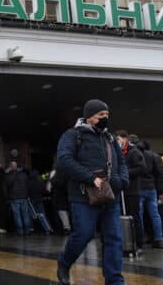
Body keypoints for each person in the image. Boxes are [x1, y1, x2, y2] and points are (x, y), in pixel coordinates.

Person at [56, 99, 128, 285]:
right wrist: (90, 178)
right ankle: (64, 262)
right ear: (89, 117)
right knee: (84, 234)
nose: (105, 119)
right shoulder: (72, 135)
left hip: (109, 196)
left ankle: (115, 280)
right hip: (82, 196)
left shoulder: (109, 138)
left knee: (114, 238)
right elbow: (64, 159)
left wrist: (122, 181)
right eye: (100, 115)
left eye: (107, 115)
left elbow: (122, 162)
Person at [115, 131, 145, 252]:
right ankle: (126, 241)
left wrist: (125, 173)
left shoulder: (134, 151)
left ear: (125, 139)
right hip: (122, 191)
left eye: (119, 139)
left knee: (134, 217)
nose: (117, 142)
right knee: (123, 216)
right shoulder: (119, 153)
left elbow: (141, 168)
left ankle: (138, 243)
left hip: (132, 190)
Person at [136, 140, 163, 248]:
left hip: (138, 188)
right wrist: (161, 191)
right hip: (151, 188)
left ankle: (141, 239)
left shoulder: (135, 154)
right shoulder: (155, 156)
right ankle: (159, 239)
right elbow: (161, 174)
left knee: (139, 215)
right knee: (155, 214)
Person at [5, 161, 32, 236]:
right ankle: (27, 230)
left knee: (17, 215)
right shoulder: (23, 174)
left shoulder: (9, 175)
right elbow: (28, 185)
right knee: (25, 214)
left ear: (10, 167)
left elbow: (7, 184)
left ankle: (20, 231)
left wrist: (7, 173)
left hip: (14, 198)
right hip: (24, 197)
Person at [28, 169, 50, 234]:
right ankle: (47, 229)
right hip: (39, 199)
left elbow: (27, 191)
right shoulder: (40, 181)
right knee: (42, 215)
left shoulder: (29, 182)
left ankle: (31, 228)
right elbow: (44, 191)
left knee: (32, 215)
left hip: (32, 200)